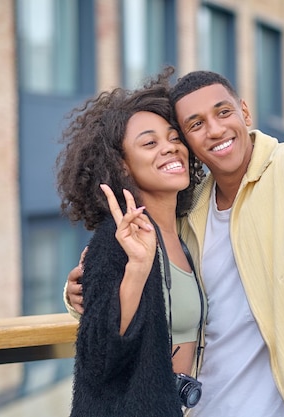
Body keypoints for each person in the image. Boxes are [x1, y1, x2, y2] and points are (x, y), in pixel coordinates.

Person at [64, 49, 284, 416]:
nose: (215, 129)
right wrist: (83, 290)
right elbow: (148, 301)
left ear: (244, 112)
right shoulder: (186, 210)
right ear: (189, 141)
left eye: (223, 112)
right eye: (196, 124)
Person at [56, 68, 206, 417]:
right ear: (122, 166)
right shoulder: (116, 241)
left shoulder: (186, 231)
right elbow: (99, 358)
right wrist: (138, 268)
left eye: (174, 137)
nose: (169, 148)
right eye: (150, 143)